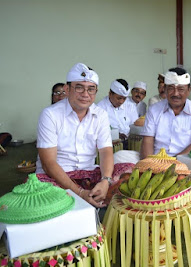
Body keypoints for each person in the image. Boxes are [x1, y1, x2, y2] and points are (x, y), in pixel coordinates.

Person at [35, 63, 134, 208]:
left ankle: (96, 195)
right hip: (55, 177)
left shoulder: (100, 115)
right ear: (67, 89)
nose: (85, 94)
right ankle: (86, 198)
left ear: (96, 91)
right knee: (39, 195)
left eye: (91, 89)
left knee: (130, 172)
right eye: (79, 87)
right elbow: (48, 164)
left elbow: (106, 151)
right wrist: (80, 192)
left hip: (88, 174)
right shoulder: (50, 115)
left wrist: (105, 181)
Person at [140, 67, 191, 158]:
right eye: (171, 88)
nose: (176, 94)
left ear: (189, 90)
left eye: (181, 89)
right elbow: (148, 141)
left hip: (185, 162)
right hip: (155, 161)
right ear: (165, 89)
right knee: (121, 156)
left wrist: (173, 163)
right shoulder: (154, 110)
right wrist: (149, 166)